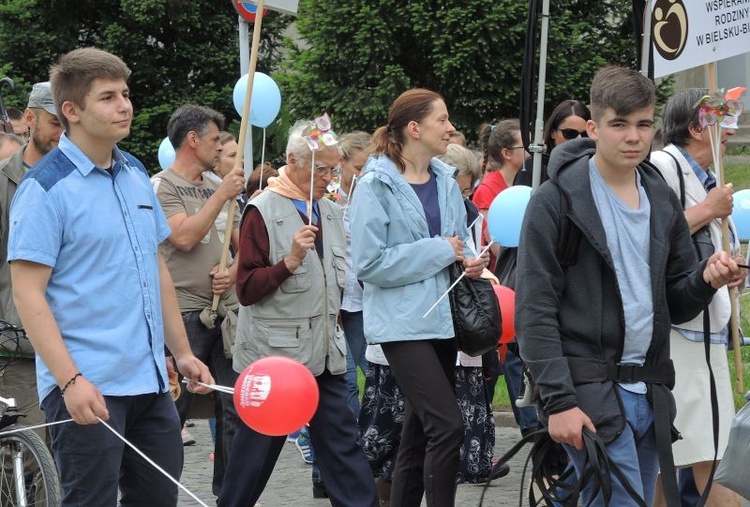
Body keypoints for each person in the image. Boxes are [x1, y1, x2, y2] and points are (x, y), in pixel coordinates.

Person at [515, 66, 744, 507]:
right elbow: (534, 308)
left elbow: (675, 300)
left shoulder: (660, 197)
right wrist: (559, 401)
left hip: (652, 390)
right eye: (619, 124)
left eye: (642, 124)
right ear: (592, 127)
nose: (633, 137)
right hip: (589, 390)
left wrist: (705, 279)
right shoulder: (556, 199)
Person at [7, 47, 213, 506]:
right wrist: (69, 380)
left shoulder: (136, 172)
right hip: (88, 384)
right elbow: (28, 293)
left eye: (125, 93)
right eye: (107, 97)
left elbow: (155, 265)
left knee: (158, 500)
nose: (124, 105)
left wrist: (181, 352)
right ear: (71, 110)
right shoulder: (44, 189)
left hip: (152, 383)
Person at [219, 119, 379, 507]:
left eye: (334, 168)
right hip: (275, 359)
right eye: (320, 168)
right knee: (256, 450)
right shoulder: (262, 208)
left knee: (342, 444)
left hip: (325, 354)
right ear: (292, 160)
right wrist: (289, 261)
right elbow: (246, 290)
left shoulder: (330, 209)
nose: (329, 177)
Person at [350, 88, 486, 507]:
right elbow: (369, 264)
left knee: (418, 433)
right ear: (414, 128)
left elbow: (457, 239)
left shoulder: (446, 180)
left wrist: (469, 257)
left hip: (443, 319)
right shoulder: (375, 185)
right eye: (442, 120)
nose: (450, 127)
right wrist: (443, 250)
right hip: (401, 324)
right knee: (447, 426)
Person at [649, 88, 742, 507]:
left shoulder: (710, 180)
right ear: (695, 127)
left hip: (706, 330)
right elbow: (652, 238)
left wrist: (732, 273)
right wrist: (707, 208)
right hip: (677, 331)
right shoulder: (663, 166)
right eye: (721, 121)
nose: (730, 132)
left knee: (692, 455)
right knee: (693, 454)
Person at [151, 104, 245, 496]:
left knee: (234, 412)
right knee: (172, 413)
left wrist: (233, 272)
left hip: (227, 314)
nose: (217, 147)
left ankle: (230, 494)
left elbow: (246, 251)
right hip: (184, 315)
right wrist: (221, 194)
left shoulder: (218, 186)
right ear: (192, 140)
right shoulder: (162, 185)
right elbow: (184, 237)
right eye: (211, 140)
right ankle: (158, 492)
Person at [0, 81, 64, 437]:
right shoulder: (4, 180)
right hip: (19, 345)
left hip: (77, 341)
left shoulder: (84, 178)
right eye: (54, 123)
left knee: (72, 457)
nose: (63, 133)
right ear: (28, 119)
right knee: (24, 458)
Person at [334, 130, 372, 415]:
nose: (361, 175)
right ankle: (352, 443)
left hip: (360, 295)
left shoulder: (369, 194)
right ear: (342, 161)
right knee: (345, 377)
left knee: (371, 367)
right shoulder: (325, 192)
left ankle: (375, 434)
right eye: (358, 168)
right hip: (333, 298)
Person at [514, 99, 591, 186]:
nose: (579, 139)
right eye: (570, 133)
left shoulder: (594, 167)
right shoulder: (535, 166)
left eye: (585, 134)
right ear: (553, 132)